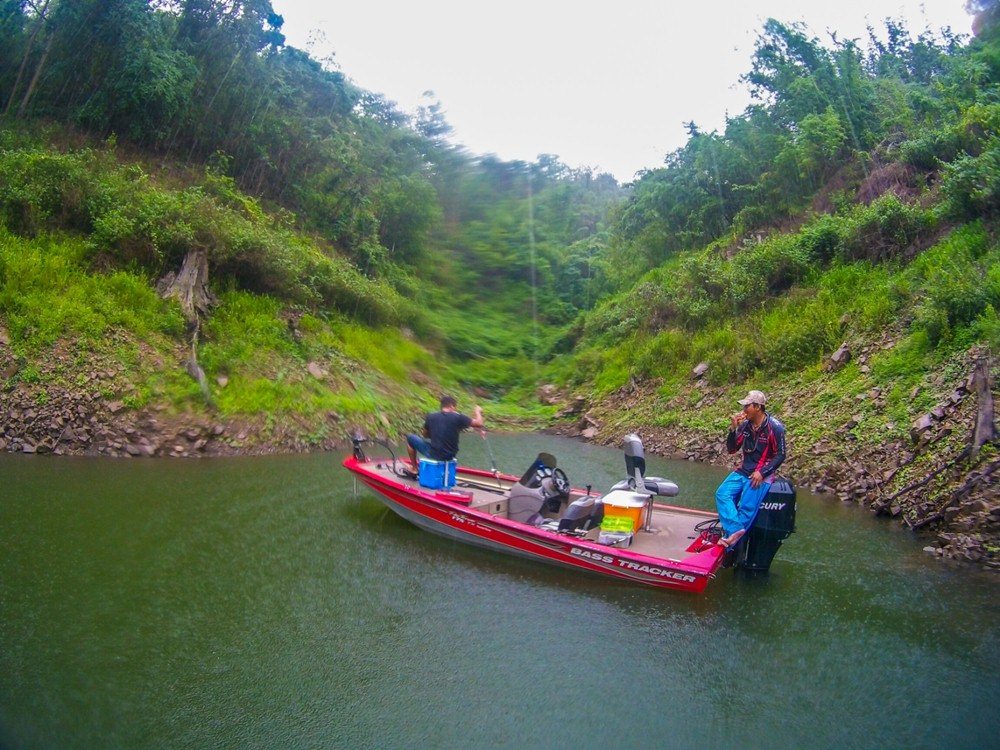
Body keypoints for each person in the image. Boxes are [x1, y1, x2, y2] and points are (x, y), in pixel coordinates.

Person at [714, 390, 787, 548]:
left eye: (747, 406)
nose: (744, 409)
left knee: (747, 505)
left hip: (761, 473)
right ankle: (735, 530)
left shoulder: (775, 428)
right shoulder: (746, 425)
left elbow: (781, 455)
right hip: (744, 470)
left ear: (758, 407)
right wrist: (733, 429)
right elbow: (732, 449)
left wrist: (762, 472)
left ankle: (731, 542)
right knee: (722, 493)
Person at [406, 395, 484, 473]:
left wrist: (436, 433)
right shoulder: (458, 417)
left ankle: (414, 469)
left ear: (442, 406)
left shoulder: (431, 417)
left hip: (434, 454)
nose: (455, 410)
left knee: (410, 438)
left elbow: (425, 435)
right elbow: (479, 423)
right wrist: (478, 411)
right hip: (450, 456)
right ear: (451, 406)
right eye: (455, 407)